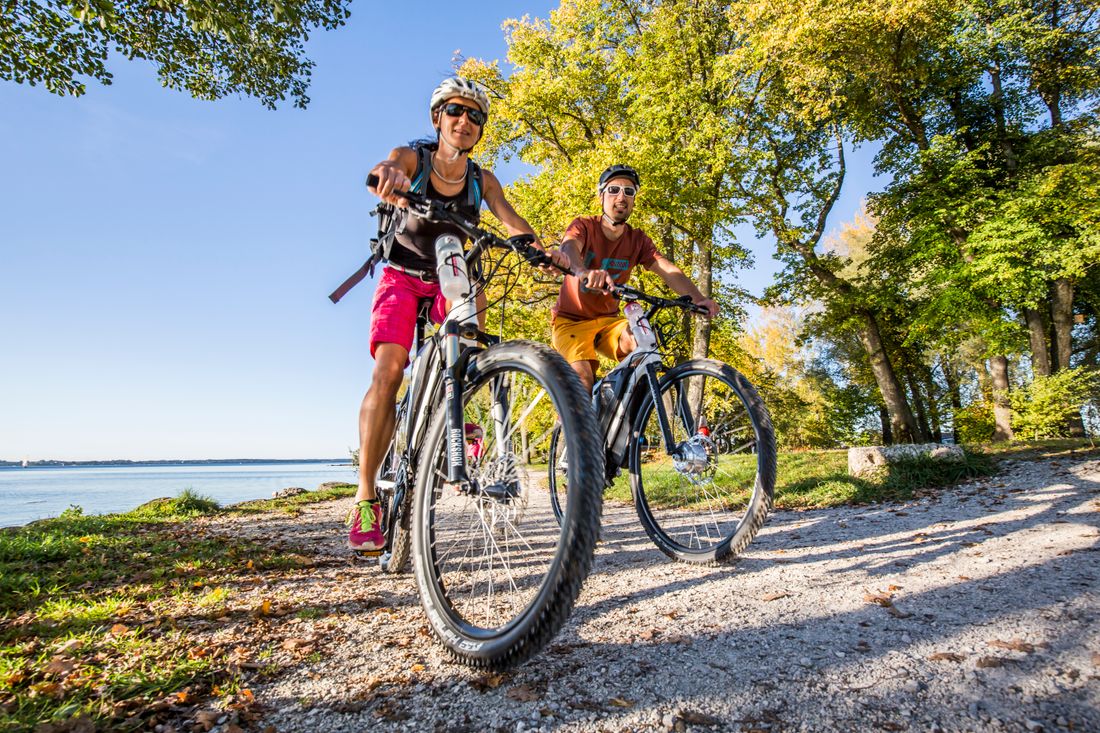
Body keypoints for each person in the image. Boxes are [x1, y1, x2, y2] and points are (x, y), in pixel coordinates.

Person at [348, 77, 567, 552]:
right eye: (454, 112)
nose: (464, 121)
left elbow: (510, 218)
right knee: (388, 371)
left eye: (475, 116)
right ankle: (366, 497)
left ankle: (456, 419)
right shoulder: (414, 157)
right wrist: (389, 176)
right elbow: (388, 165)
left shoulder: (481, 179)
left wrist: (541, 250)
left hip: (454, 272)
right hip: (403, 275)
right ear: (437, 118)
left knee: (471, 354)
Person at [551, 164, 719, 395]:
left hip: (609, 323)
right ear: (601, 196)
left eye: (629, 192)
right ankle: (573, 425)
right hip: (571, 321)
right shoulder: (584, 226)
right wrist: (582, 272)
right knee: (582, 377)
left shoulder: (637, 239)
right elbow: (569, 247)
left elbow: (666, 268)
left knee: (644, 348)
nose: (622, 196)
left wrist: (698, 299)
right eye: (614, 190)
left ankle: (623, 419)